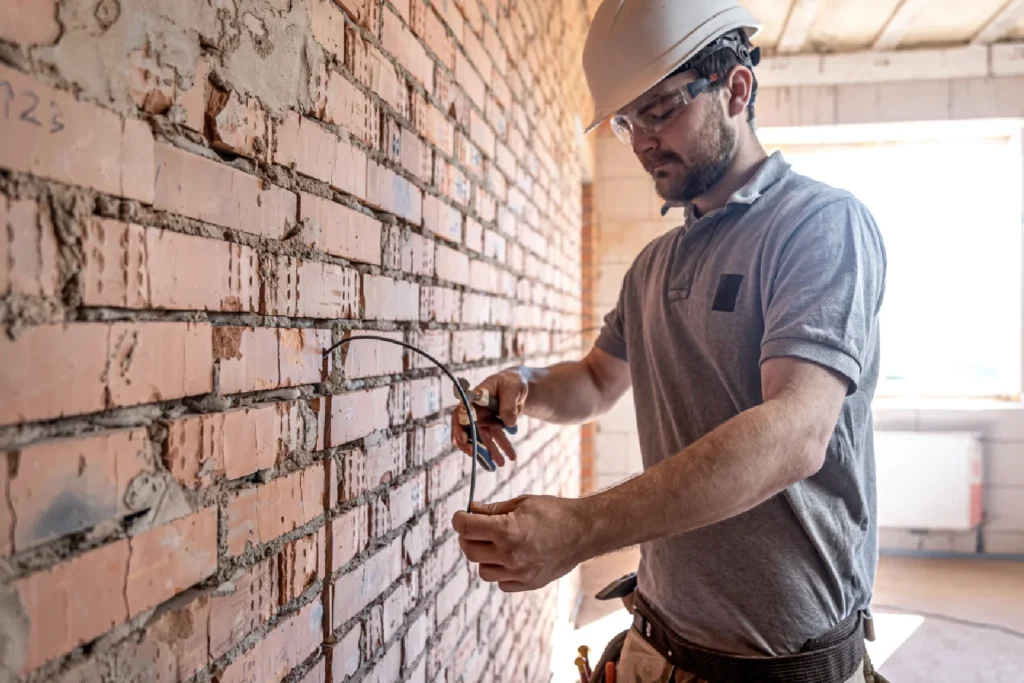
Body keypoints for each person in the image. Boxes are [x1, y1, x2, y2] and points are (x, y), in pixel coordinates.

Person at [450, 0, 888, 680]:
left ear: (735, 89)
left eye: (659, 110)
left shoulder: (819, 225)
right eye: (626, 121)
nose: (640, 140)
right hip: (655, 641)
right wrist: (526, 386)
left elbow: (797, 428)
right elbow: (597, 380)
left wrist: (582, 527)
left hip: (777, 665)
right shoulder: (655, 265)